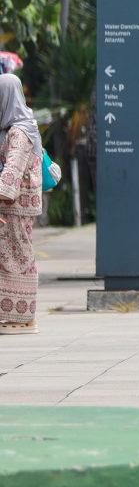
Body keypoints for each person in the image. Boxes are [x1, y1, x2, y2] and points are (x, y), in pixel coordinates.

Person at [0, 74, 42, 334]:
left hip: (15, 206)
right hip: (15, 205)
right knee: (11, 257)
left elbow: (12, 170)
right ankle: (14, 315)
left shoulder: (19, 132)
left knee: (18, 258)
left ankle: (22, 318)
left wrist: (2, 192)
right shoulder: (21, 126)